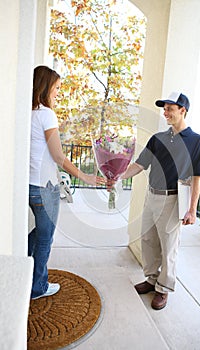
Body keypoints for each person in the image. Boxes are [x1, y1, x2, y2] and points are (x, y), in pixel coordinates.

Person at [121, 92, 200, 310]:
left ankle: (164, 289)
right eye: (164, 108)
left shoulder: (196, 141)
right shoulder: (157, 138)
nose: (165, 112)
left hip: (173, 199)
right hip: (151, 196)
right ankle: (151, 279)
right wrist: (117, 175)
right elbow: (139, 165)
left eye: (170, 108)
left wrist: (192, 209)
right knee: (148, 241)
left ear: (183, 110)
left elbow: (197, 178)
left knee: (169, 247)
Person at [29, 65, 106, 300]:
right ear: (45, 86)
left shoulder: (25, 112)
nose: (58, 93)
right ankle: (38, 287)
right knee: (45, 238)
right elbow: (59, 157)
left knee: (38, 234)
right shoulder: (46, 114)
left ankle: (22, 266)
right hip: (45, 187)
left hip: (28, 185)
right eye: (56, 88)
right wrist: (86, 177)